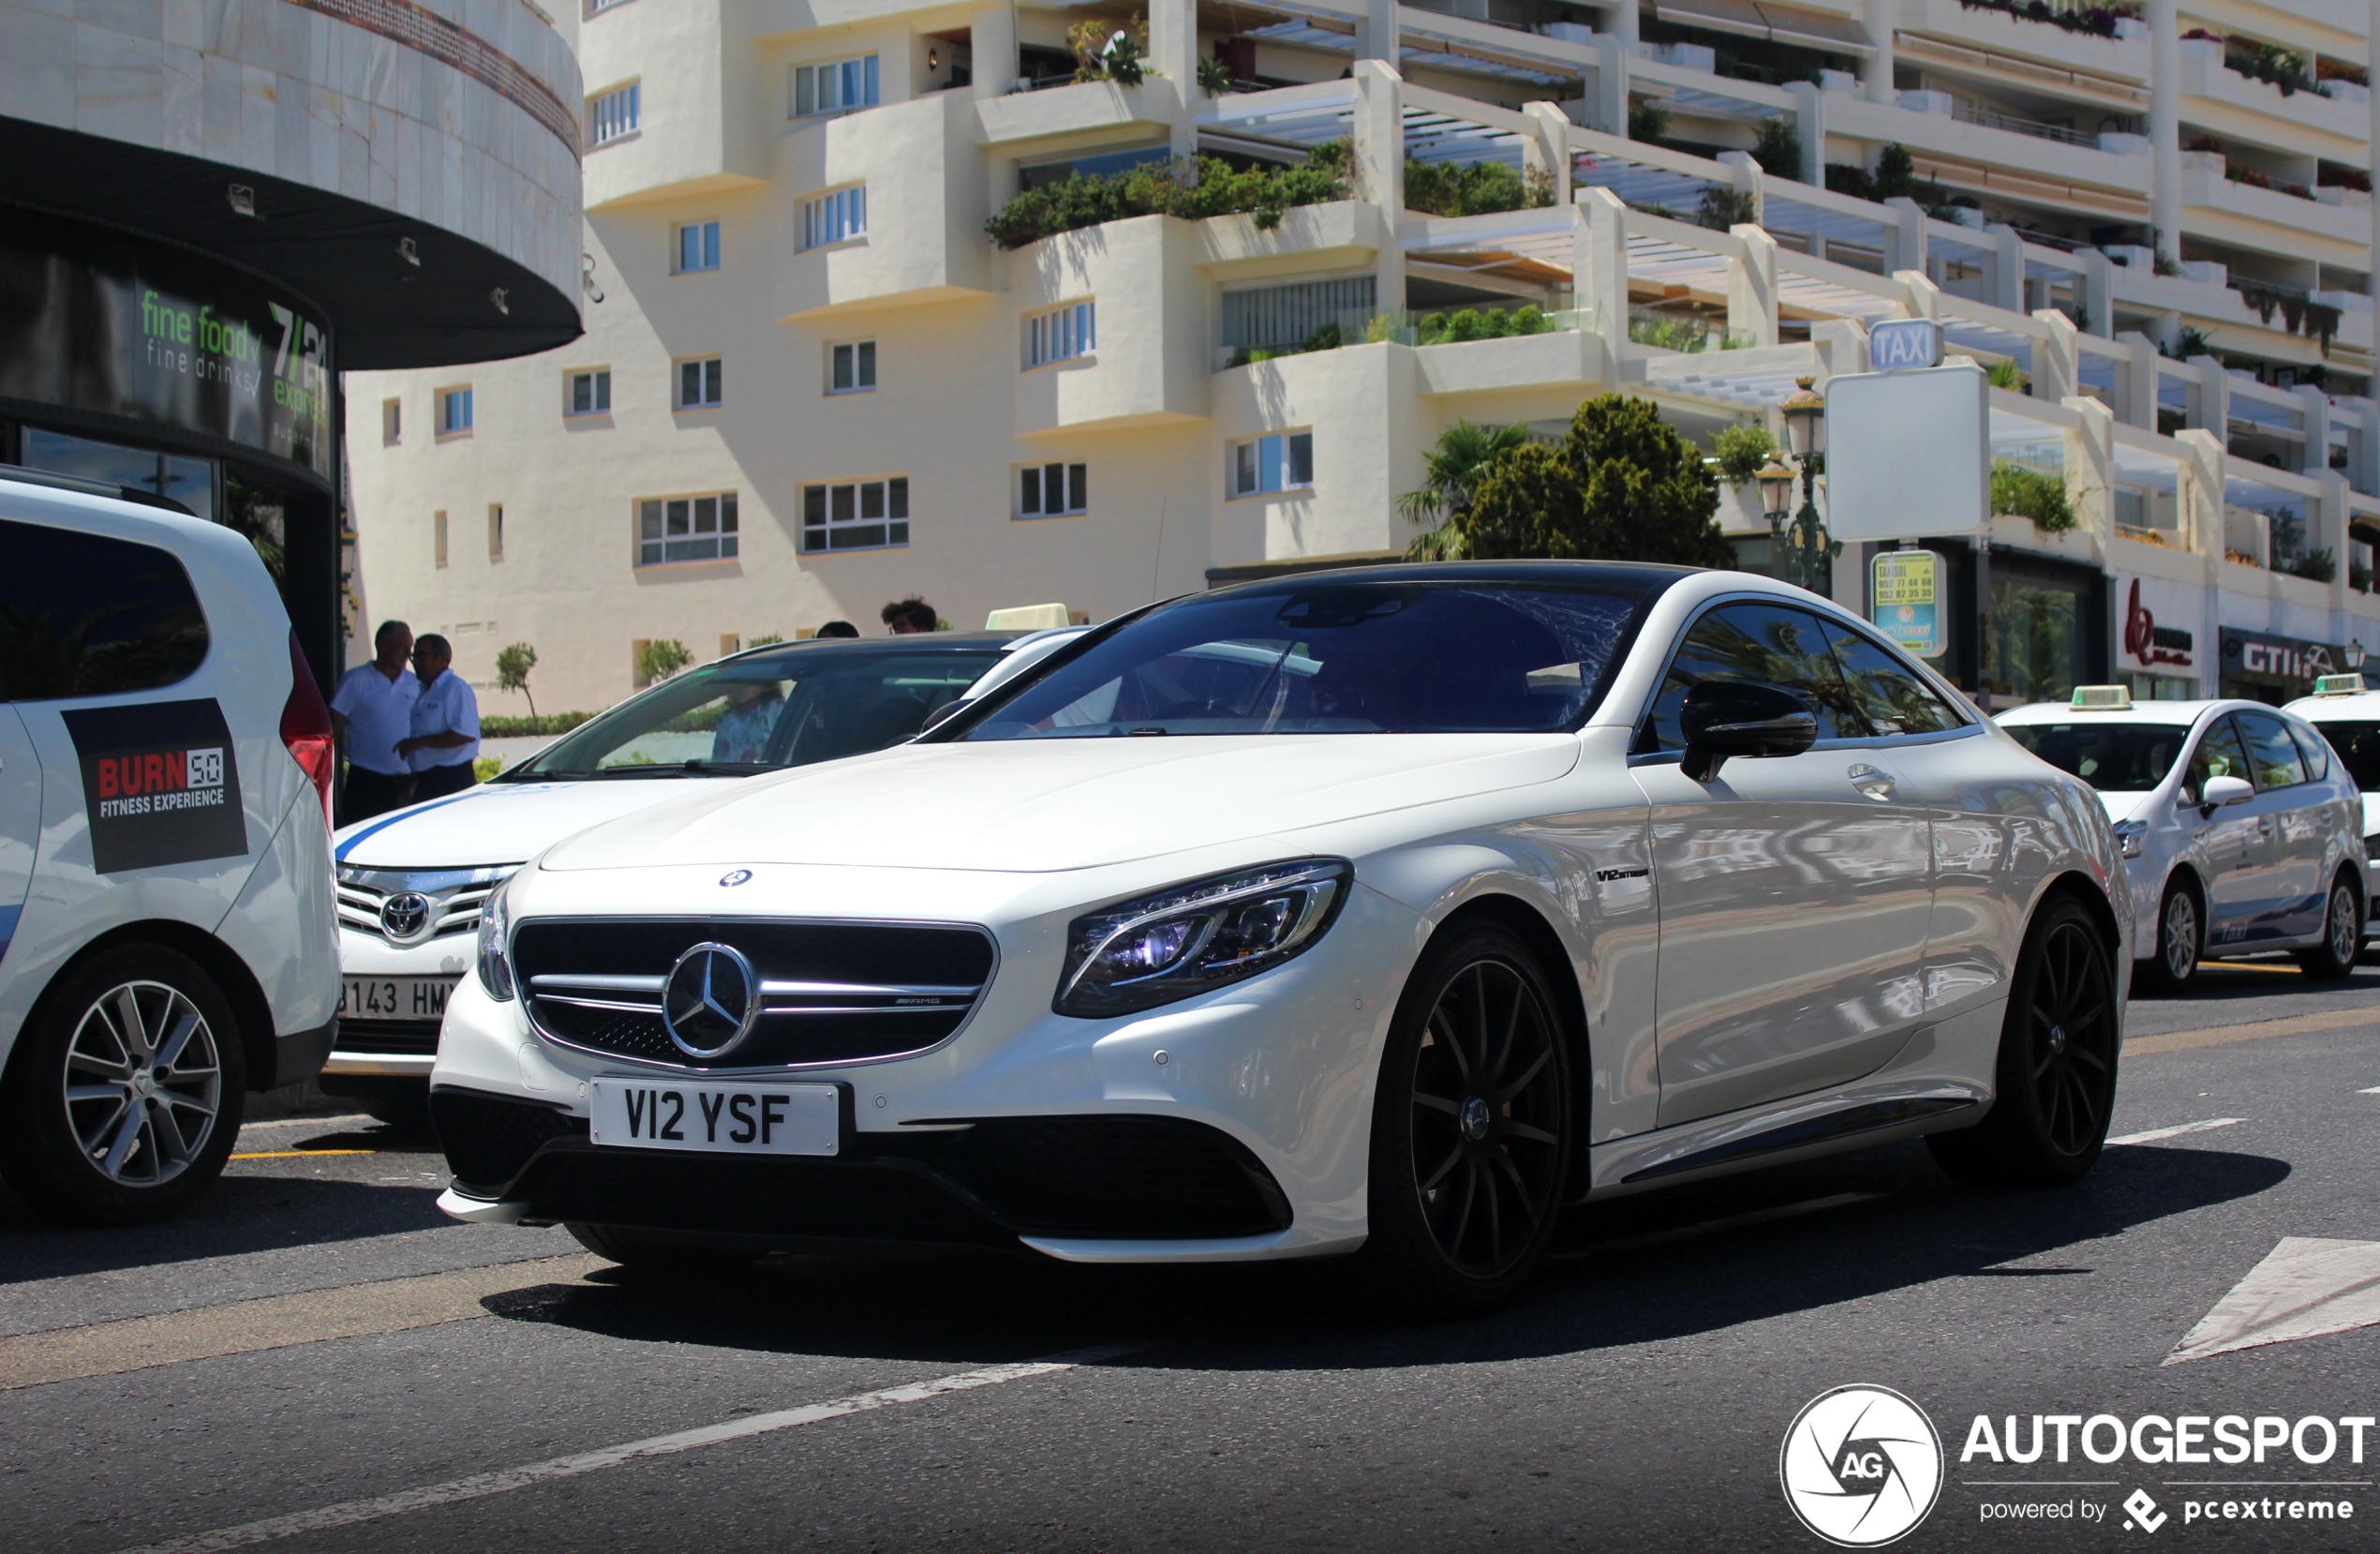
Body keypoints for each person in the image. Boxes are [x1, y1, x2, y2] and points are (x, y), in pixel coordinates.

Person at [328, 620, 420, 823]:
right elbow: (332, 725)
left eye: (410, 647)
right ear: (383, 646)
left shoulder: (416, 684)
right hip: (366, 781)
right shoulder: (355, 680)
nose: (408, 653)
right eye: (402, 646)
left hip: (408, 782)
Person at [396, 634, 482, 801]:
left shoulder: (455, 688)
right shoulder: (425, 690)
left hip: (451, 780)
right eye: (414, 656)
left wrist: (420, 743)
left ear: (442, 659)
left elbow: (465, 734)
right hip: (425, 779)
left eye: (421, 655)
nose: (415, 662)